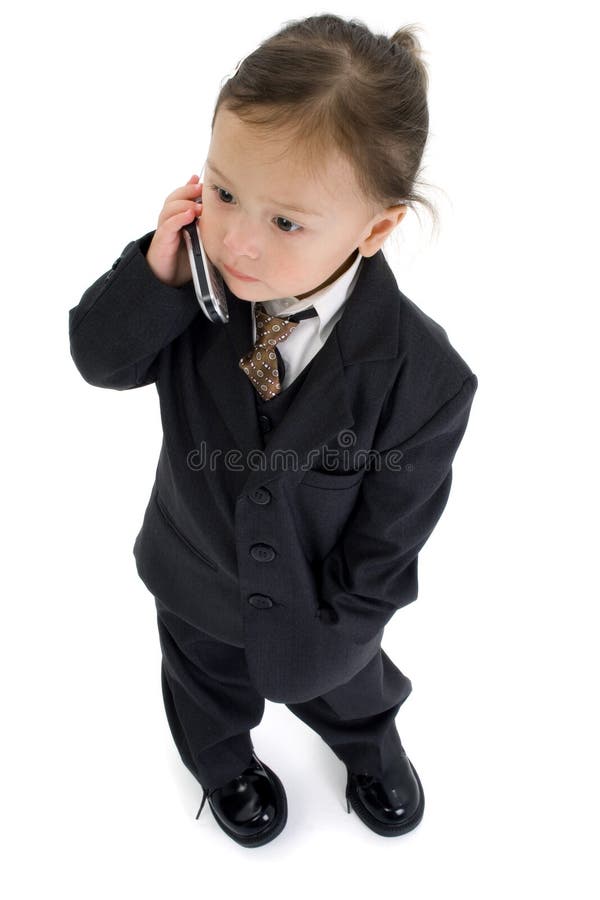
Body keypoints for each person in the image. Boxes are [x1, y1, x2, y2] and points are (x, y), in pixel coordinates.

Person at [68, 13, 478, 848]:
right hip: (193, 573)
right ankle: (225, 768)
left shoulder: (425, 379)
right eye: (223, 193)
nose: (240, 241)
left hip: (322, 614)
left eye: (286, 222)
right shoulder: (186, 285)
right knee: (202, 691)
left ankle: (369, 748)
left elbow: (387, 546)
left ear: (376, 228)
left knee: (354, 689)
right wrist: (157, 265)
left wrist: (338, 636)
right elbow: (99, 360)